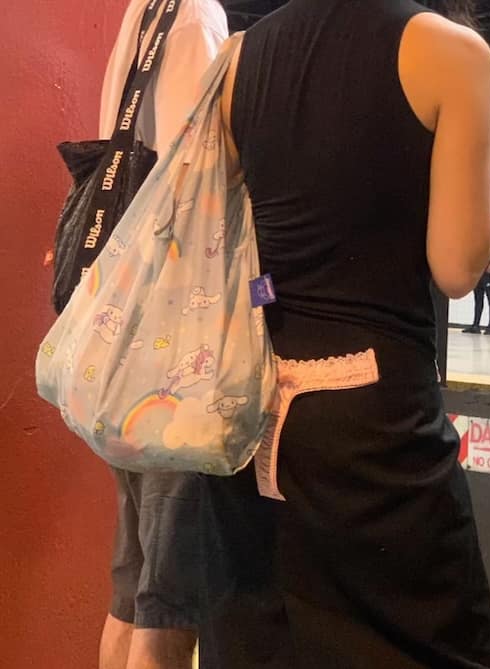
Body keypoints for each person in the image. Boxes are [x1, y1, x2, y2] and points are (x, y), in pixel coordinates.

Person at [201, 0, 490, 667]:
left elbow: (233, 243)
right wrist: (486, 152)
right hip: (373, 427)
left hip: (254, 414)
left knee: (268, 643)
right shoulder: (453, 53)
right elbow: (457, 266)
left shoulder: (235, 59)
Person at [97, 2, 227, 669]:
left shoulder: (144, 13)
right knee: (169, 601)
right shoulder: (197, 17)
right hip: (174, 351)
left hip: (124, 345)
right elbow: (193, 180)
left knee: (132, 587)